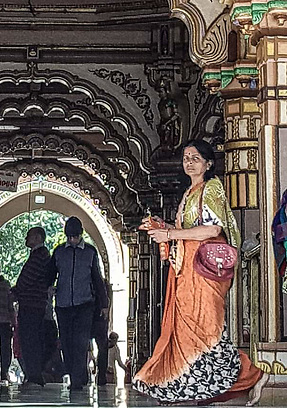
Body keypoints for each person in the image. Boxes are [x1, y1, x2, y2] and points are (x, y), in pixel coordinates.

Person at [134, 139, 269, 406]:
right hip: (186, 269)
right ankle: (189, 386)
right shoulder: (188, 193)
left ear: (208, 164)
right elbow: (189, 229)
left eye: (195, 158)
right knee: (186, 329)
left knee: (207, 330)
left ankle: (252, 374)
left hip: (204, 271)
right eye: (186, 158)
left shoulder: (212, 188)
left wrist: (170, 233)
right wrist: (162, 227)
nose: (189, 162)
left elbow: (212, 230)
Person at [47, 216, 108, 391]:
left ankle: (77, 378)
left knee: (81, 342)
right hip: (63, 305)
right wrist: (49, 288)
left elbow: (97, 279)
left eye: (75, 236)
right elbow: (50, 274)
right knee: (66, 341)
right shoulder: (59, 252)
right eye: (70, 237)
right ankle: (74, 374)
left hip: (84, 304)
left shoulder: (90, 252)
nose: (72, 240)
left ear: (81, 234)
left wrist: (104, 304)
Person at [11, 226, 51, 387]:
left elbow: (27, 279)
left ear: (38, 238)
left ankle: (34, 374)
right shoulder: (40, 255)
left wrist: (15, 291)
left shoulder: (39, 256)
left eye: (29, 236)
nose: (26, 238)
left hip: (32, 305)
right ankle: (33, 373)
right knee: (29, 339)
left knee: (30, 339)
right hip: (32, 304)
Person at [0, 261, 15, 384]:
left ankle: (4, 371)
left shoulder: (4, 285)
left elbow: (10, 304)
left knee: (5, 348)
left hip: (2, 321)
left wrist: (13, 321)